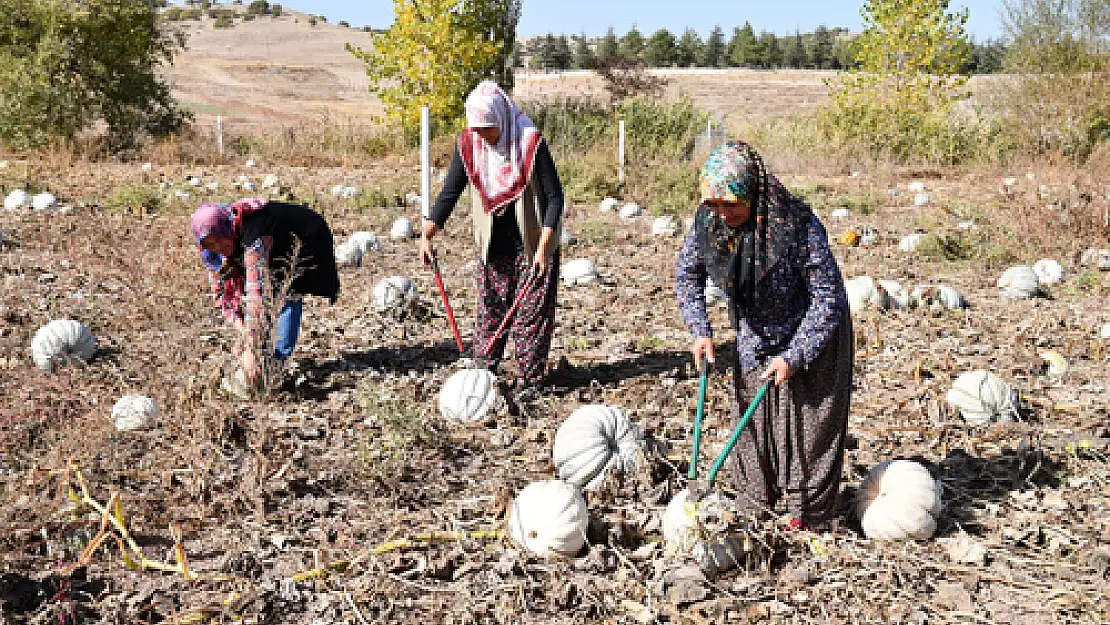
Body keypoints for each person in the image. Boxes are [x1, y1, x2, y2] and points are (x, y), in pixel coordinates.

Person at [675, 141, 853, 530]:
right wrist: (700, 330)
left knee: (808, 427)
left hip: (814, 333)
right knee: (754, 422)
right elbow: (688, 273)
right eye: (714, 205)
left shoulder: (797, 227)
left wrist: (796, 355)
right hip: (755, 332)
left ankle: (805, 515)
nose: (723, 213)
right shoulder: (708, 224)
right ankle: (757, 503)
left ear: (753, 193)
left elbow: (828, 297)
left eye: (732, 204)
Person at [420, 81, 564, 400]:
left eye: (488, 128)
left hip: (532, 243)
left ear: (502, 118)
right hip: (493, 244)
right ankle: (483, 376)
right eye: (477, 128)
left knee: (531, 316)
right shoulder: (469, 145)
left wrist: (544, 247)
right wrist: (428, 233)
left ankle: (529, 383)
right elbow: (450, 192)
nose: (483, 136)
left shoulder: (529, 142)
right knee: (491, 310)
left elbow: (555, 198)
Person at [190, 198, 339, 384]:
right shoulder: (211, 252)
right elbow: (221, 296)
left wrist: (251, 350)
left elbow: (256, 296)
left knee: (288, 291)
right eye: (210, 244)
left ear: (226, 229)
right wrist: (244, 332)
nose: (218, 248)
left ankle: (278, 364)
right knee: (265, 299)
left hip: (304, 237)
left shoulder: (254, 235)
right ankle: (262, 355)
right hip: (272, 242)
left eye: (220, 240)